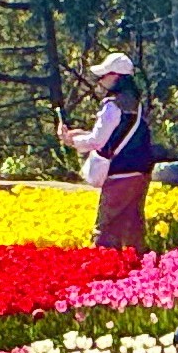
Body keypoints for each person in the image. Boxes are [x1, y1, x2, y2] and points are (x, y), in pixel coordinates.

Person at [66, 53, 160, 248]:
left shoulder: (113, 105)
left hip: (119, 172)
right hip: (141, 171)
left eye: (104, 75)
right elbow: (115, 135)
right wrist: (82, 135)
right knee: (132, 225)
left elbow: (98, 140)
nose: (100, 80)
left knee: (106, 228)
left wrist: (72, 140)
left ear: (116, 77)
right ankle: (138, 262)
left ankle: (104, 262)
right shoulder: (136, 103)